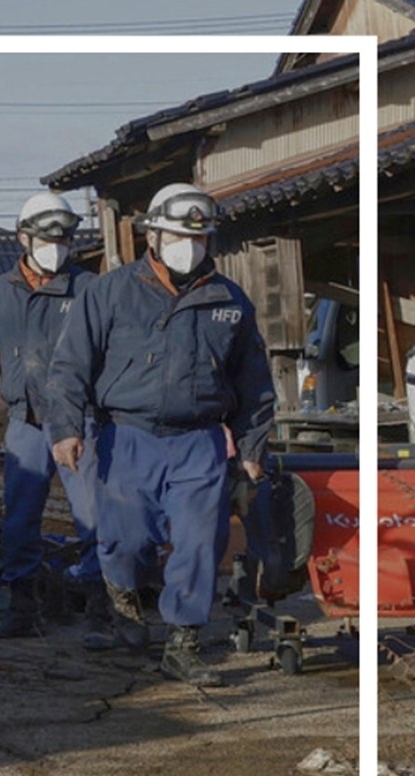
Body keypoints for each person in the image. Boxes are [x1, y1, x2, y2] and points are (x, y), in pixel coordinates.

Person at [46, 183, 276, 687]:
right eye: (176, 234)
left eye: (199, 236)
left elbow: (254, 385)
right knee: (125, 543)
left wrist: (252, 452)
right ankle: (124, 601)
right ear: (152, 233)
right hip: (126, 437)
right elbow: (68, 368)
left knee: (199, 543)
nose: (187, 245)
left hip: (199, 441)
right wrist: (65, 430)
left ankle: (183, 643)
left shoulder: (230, 301)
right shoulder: (109, 292)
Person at [0, 192, 109, 646]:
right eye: (47, 239)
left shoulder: (89, 289)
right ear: (23, 237)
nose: (56, 248)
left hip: (81, 419)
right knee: (20, 517)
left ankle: (104, 612)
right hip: (25, 420)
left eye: (64, 240)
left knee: (93, 515)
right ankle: (23, 609)